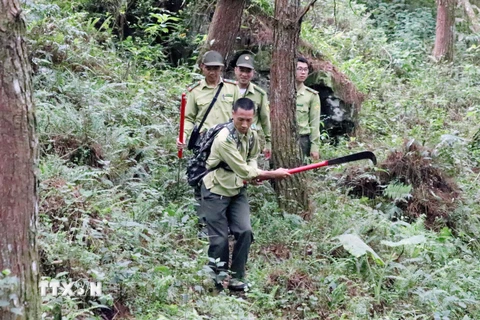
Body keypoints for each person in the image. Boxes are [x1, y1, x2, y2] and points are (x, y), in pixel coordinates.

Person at [198, 98, 290, 291]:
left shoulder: (252, 135)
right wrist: (272, 174)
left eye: (248, 120)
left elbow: (252, 159)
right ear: (233, 115)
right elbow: (244, 170)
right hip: (216, 190)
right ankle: (217, 277)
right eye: (240, 120)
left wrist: (256, 173)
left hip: (237, 189)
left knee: (245, 231)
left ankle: (236, 278)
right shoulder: (224, 139)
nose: (244, 124)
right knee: (220, 238)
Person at [177, 50, 238, 149]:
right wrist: (183, 136)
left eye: (216, 68)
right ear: (202, 67)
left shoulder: (233, 88)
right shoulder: (195, 91)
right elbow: (188, 118)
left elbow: (240, 115)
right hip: (203, 141)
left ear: (221, 68)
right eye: (209, 68)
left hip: (227, 140)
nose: (212, 72)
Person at [234, 53, 271, 159]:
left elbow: (265, 119)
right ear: (236, 70)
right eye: (242, 70)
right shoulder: (228, 90)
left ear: (253, 73)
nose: (244, 74)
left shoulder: (260, 94)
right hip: (232, 138)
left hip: (252, 139)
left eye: (248, 71)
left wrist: (268, 142)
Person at [295, 57, 321, 162]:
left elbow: (315, 123)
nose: (303, 72)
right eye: (299, 69)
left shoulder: (311, 95)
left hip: (302, 140)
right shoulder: (281, 92)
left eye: (305, 70)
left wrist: (315, 147)